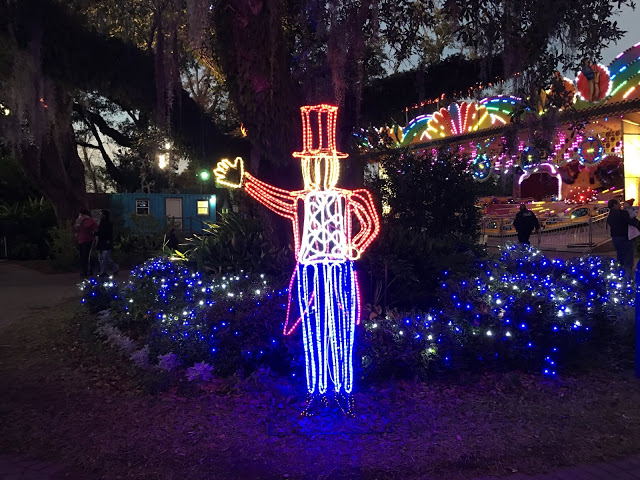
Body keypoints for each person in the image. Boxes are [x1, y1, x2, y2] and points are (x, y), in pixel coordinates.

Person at [607, 198, 640, 274]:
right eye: (618, 203)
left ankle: (620, 274)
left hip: (615, 238)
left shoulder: (610, 215)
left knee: (620, 256)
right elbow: (631, 222)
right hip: (625, 237)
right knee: (628, 258)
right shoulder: (622, 213)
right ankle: (628, 276)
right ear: (614, 205)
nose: (620, 205)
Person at [95, 209, 119, 277]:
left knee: (105, 257)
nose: (100, 215)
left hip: (106, 242)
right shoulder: (100, 223)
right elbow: (99, 232)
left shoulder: (108, 223)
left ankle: (104, 271)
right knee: (101, 258)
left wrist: (109, 241)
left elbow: (109, 234)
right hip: (101, 242)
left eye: (102, 214)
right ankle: (112, 268)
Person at [75, 208, 98, 277]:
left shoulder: (90, 221)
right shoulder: (79, 221)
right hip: (81, 239)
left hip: (88, 240)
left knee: (86, 255)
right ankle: (86, 270)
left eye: (81, 215)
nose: (80, 216)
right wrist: (78, 224)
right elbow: (77, 229)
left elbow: (95, 229)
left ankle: (86, 271)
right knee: (82, 256)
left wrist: (96, 238)